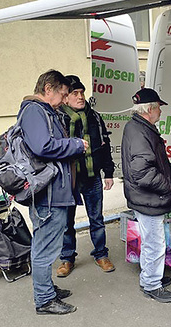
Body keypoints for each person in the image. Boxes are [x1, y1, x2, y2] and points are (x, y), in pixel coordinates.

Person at [19, 70, 88, 315]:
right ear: (48, 89)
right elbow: (42, 146)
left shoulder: (45, 111)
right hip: (47, 196)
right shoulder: (34, 111)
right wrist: (76, 144)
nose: (65, 97)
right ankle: (45, 300)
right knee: (44, 248)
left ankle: (47, 289)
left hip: (53, 193)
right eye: (63, 92)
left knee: (46, 245)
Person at [57, 75, 115, 277]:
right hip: (68, 180)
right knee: (66, 223)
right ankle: (67, 258)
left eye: (82, 93)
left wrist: (108, 172)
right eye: (75, 93)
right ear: (66, 97)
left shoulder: (94, 117)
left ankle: (101, 254)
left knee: (97, 219)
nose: (81, 97)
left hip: (92, 177)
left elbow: (104, 145)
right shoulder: (58, 118)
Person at [121, 88, 171, 303]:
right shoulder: (140, 131)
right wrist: (166, 187)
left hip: (143, 197)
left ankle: (152, 275)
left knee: (150, 239)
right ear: (150, 109)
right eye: (159, 107)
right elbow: (143, 173)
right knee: (155, 242)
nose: (160, 111)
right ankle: (152, 284)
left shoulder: (137, 127)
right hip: (149, 198)